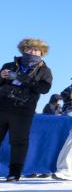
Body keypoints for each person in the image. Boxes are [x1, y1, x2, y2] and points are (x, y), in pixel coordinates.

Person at [0, 38, 52, 181]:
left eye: (36, 50)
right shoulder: (9, 65)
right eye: (29, 49)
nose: (32, 52)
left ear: (42, 53)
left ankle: (14, 173)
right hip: (2, 106)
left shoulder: (44, 71)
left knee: (18, 141)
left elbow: (44, 88)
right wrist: (1, 76)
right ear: (23, 50)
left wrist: (21, 77)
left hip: (23, 110)